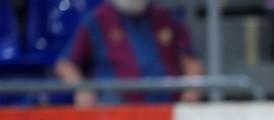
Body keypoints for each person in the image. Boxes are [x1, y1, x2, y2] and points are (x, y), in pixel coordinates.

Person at [53, 0, 203, 106]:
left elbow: (192, 63)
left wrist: (191, 90)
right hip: (115, 111)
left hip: (167, 110)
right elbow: (65, 65)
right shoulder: (96, 20)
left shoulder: (168, 18)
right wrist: (82, 89)